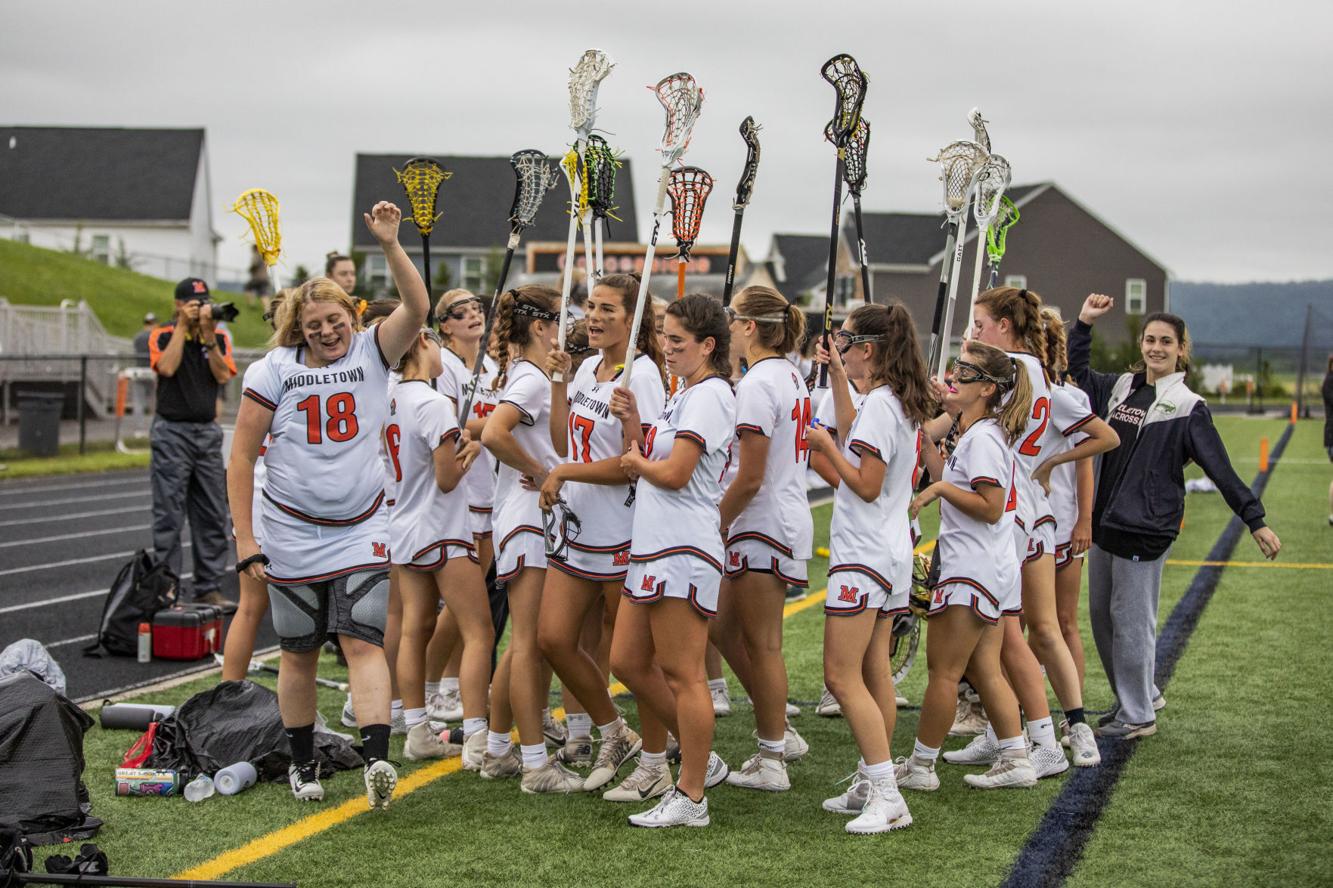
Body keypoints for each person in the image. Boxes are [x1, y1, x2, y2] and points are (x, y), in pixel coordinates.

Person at [227, 200, 428, 810]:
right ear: (298, 327)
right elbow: (241, 459)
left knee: (364, 642)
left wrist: (391, 243)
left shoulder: (373, 350)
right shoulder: (271, 371)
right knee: (298, 651)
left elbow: (418, 308)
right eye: (313, 324)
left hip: (361, 523)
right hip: (289, 528)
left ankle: (375, 762)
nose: (327, 330)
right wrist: (246, 540)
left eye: (334, 318)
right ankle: (302, 762)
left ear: (352, 313)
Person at [1069, 294, 1281, 738]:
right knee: (1103, 621)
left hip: (1145, 529)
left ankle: (1137, 715)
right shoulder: (1124, 388)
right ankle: (1141, 691)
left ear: (1182, 348)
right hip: (1106, 524)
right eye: (1150, 340)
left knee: (1131, 624)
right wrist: (1084, 325)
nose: (1156, 348)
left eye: (1166, 341)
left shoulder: (1188, 406)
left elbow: (1219, 468)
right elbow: (1080, 377)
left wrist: (1254, 520)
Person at [960, 286, 1119, 771]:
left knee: (1017, 630)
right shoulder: (1034, 373)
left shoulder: (1012, 369)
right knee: (1021, 631)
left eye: (981, 324)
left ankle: (1054, 737)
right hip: (1031, 514)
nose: (974, 334)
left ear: (1005, 327)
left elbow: (1103, 438)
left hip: (1012, 517)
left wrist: (1051, 462)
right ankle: (1008, 731)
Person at [537, 273, 667, 797]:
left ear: (632, 319)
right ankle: (615, 732)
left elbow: (638, 464)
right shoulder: (588, 366)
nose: (593, 317)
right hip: (579, 528)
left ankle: (660, 761)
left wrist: (565, 474)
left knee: (635, 659)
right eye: (591, 306)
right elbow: (560, 441)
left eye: (608, 309)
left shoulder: (646, 376)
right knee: (553, 639)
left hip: (623, 531)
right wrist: (560, 384)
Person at [804, 303, 932, 833]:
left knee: (840, 674)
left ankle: (886, 792)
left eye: (847, 341)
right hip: (888, 550)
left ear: (871, 349)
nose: (841, 346)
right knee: (875, 668)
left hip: (864, 552)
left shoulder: (882, 404)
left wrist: (824, 447)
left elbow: (865, 482)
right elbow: (857, 428)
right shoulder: (890, 401)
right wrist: (836, 374)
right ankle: (873, 777)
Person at [613, 293, 736, 829]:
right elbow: (650, 456)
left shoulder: (710, 394)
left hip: (683, 547)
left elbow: (676, 473)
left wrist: (637, 461)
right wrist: (635, 421)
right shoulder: (681, 393)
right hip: (654, 545)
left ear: (708, 345)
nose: (665, 347)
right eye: (663, 336)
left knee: (684, 674)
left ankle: (691, 794)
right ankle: (702, 759)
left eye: (677, 340)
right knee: (627, 661)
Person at [895, 340, 1039, 798]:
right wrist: (926, 441)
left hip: (972, 568)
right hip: (987, 568)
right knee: (985, 668)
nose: (953, 376)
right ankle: (1016, 756)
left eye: (965, 372)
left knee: (944, 672)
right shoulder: (977, 433)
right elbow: (951, 477)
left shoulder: (982, 439)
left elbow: (990, 506)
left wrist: (937, 493)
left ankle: (921, 765)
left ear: (986, 389)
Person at [478, 285, 582, 793]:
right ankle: (537, 764)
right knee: (530, 644)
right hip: (527, 519)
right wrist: (542, 471)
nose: (570, 324)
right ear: (541, 326)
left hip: (523, 518)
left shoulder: (536, 375)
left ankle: (498, 750)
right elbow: (494, 433)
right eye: (561, 318)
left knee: (523, 643)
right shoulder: (531, 379)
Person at [715, 286, 812, 792]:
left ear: (750, 327)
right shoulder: (788, 374)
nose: (728, 326)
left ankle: (773, 756)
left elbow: (749, 476)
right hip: (773, 516)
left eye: (733, 318)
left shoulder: (758, 383)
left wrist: (713, 522)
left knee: (764, 644)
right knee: (721, 629)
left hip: (763, 520)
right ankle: (780, 730)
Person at [385, 326, 493, 763]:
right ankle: (477, 737)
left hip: (405, 525)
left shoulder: (390, 398)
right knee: (479, 632)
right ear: (423, 345)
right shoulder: (433, 403)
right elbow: (447, 479)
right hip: (442, 528)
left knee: (416, 628)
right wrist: (470, 453)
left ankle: (417, 730)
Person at [148, 277, 238, 613]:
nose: (200, 308)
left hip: (206, 433)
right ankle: (168, 590)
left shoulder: (218, 337)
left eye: (204, 302)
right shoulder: (162, 334)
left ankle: (208, 587)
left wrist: (208, 336)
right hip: (172, 431)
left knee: (213, 513)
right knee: (169, 515)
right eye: (192, 303)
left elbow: (223, 376)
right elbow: (167, 367)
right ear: (177, 305)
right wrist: (183, 327)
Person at [221, 290, 292, 681]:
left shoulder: (266, 367)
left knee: (253, 607)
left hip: (266, 494)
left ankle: (228, 694)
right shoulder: (276, 370)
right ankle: (229, 694)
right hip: (273, 496)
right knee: (276, 609)